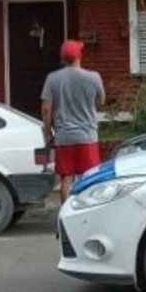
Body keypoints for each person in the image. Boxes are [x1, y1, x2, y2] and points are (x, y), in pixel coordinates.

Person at [41, 40, 106, 204]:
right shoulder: (93, 77)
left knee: (66, 178)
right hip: (88, 136)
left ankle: (66, 213)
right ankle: (89, 210)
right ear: (80, 56)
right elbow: (101, 102)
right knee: (90, 176)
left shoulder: (52, 79)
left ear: (63, 59)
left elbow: (46, 110)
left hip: (64, 137)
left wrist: (49, 133)